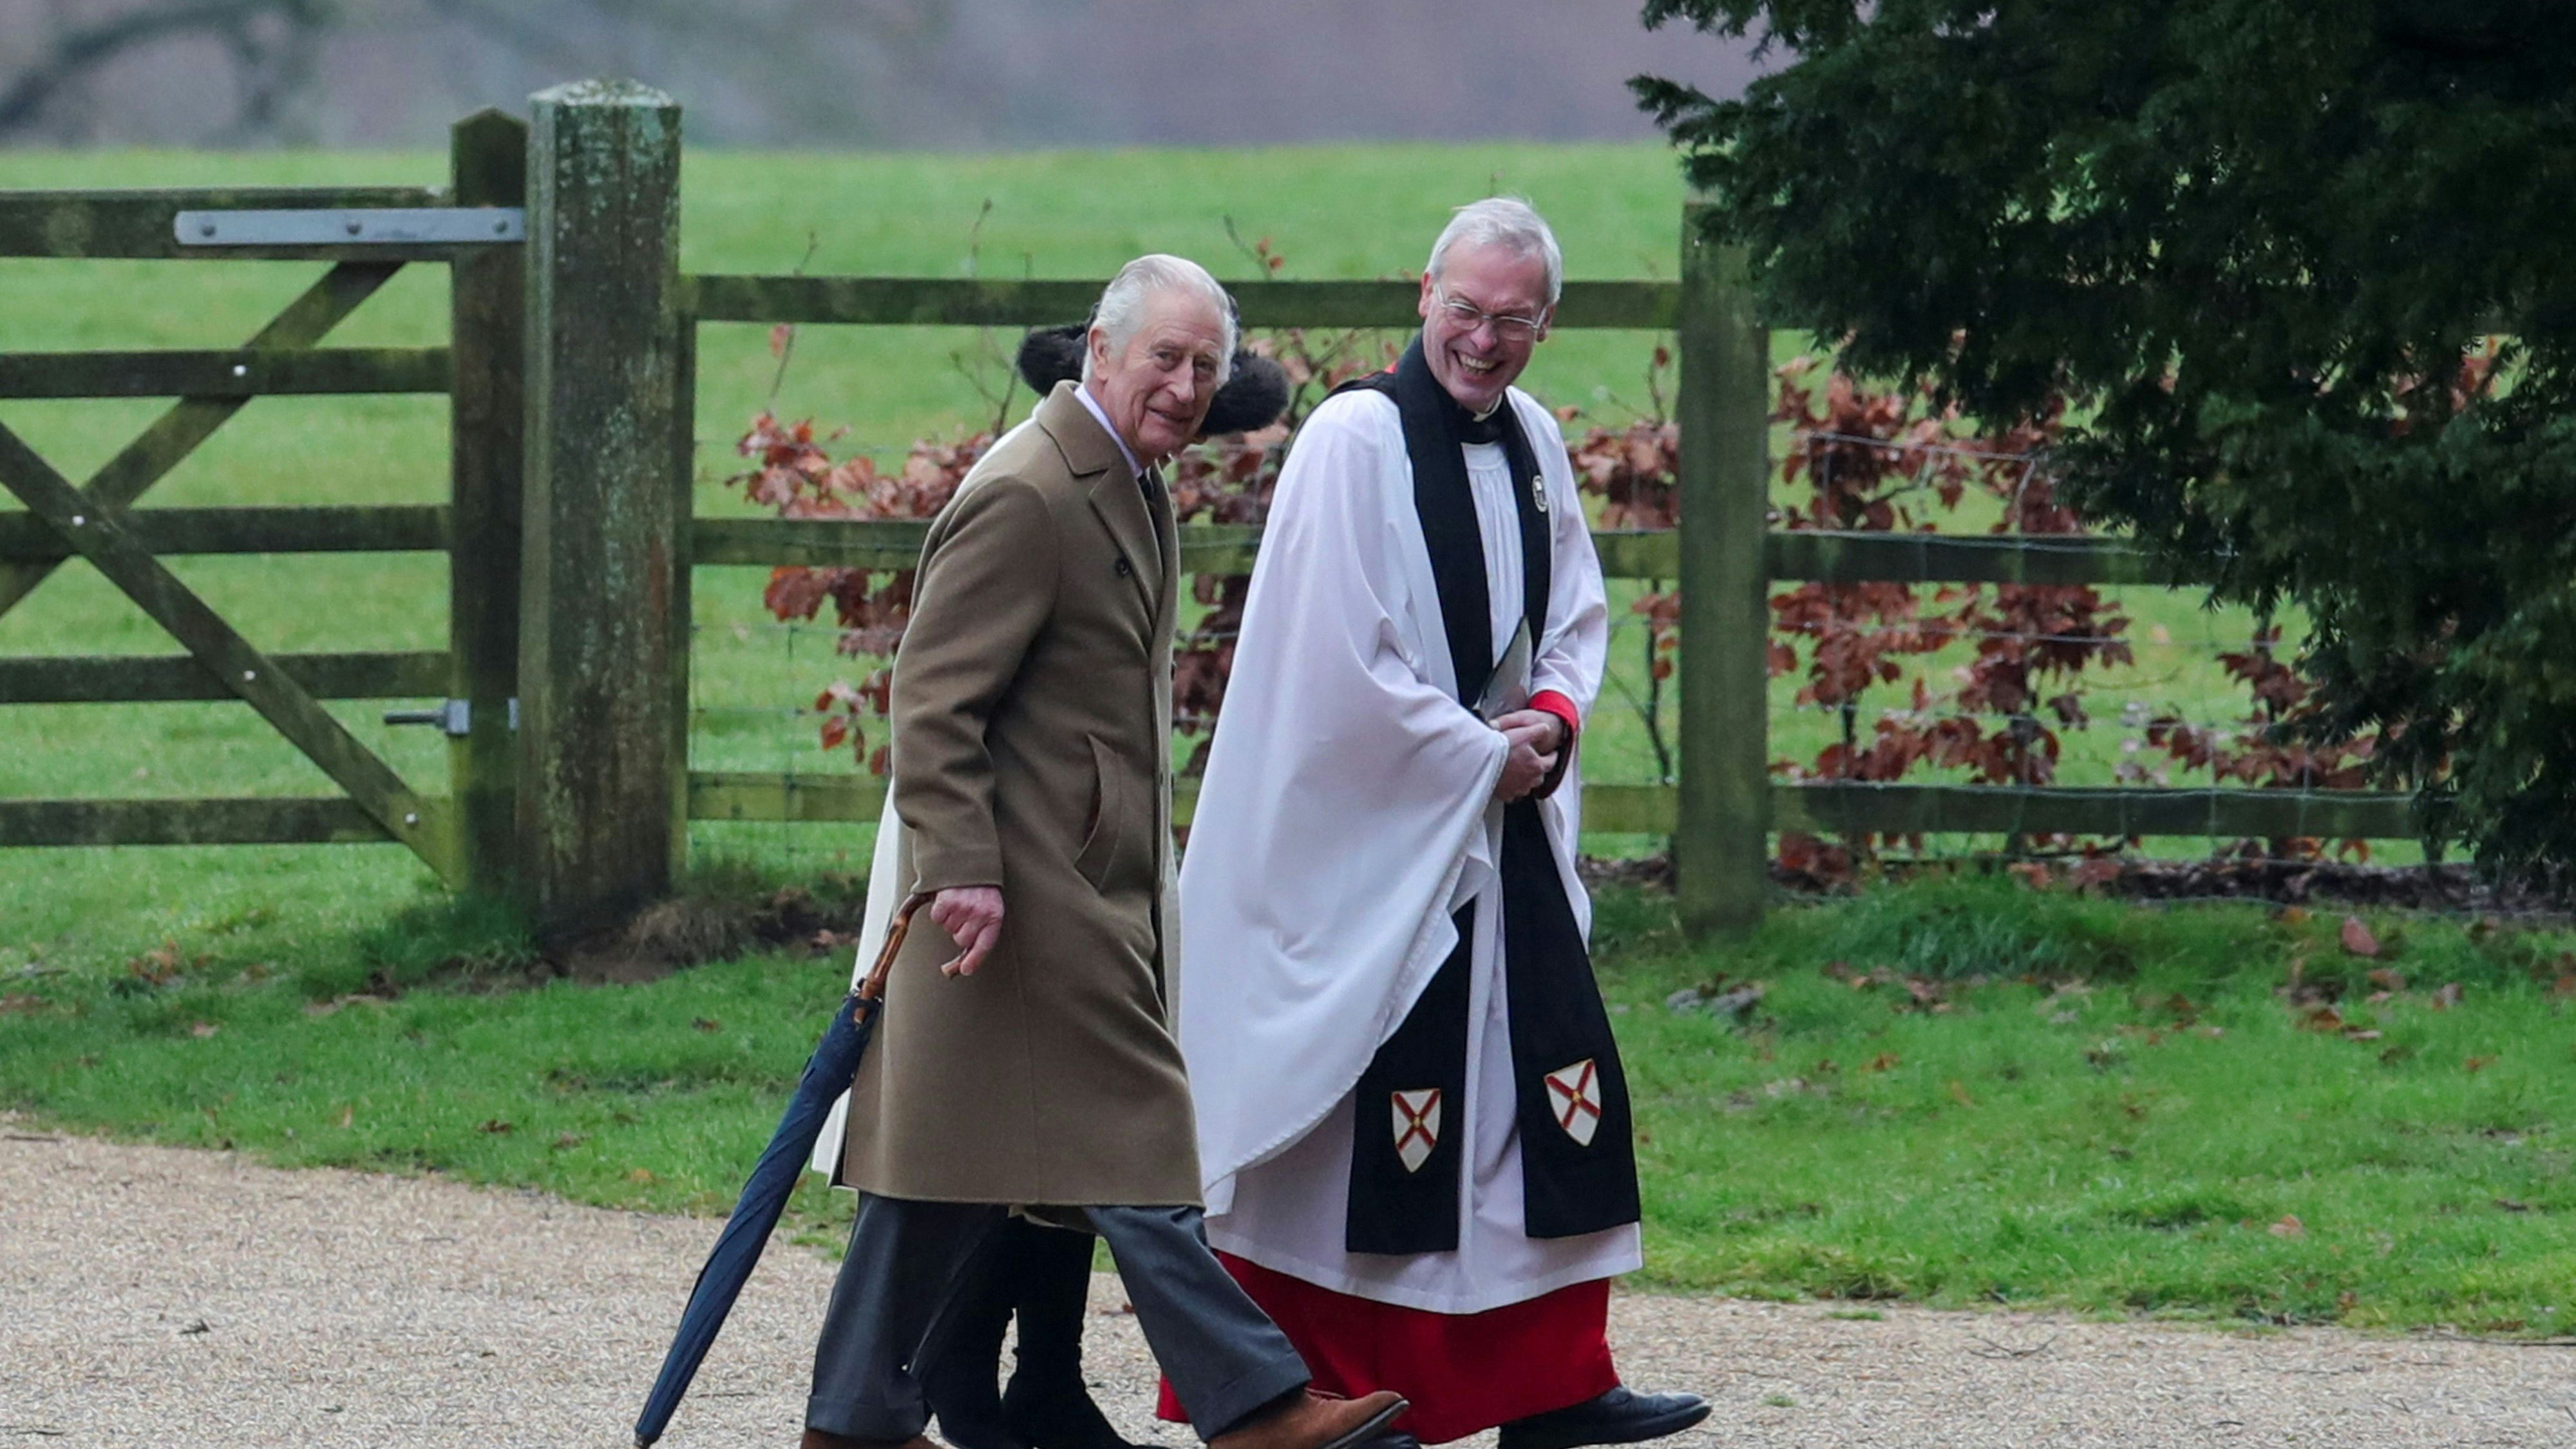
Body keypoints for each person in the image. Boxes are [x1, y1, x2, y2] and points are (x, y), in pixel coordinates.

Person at [799, 254, 1405, 1449]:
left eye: (1204, 367)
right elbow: (930, 699)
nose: (1182, 385)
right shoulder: (1032, 489)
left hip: (1082, 885)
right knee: (1140, 1139)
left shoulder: (1130, 480)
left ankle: (851, 1424)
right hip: (1022, 895)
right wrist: (962, 863)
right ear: (1101, 349)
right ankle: (1258, 1405)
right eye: (1163, 358)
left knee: (931, 1175)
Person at [1170, 201, 1711, 1449]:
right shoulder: (1351, 442)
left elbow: (1574, 611)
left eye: (1510, 321)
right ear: (1423, 295)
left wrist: (1553, 725)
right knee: (1363, 1116)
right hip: (1376, 839)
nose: (1481, 341)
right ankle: (1328, 1394)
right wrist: (1477, 755)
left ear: (1543, 326)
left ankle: (1552, 1386)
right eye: (1462, 311)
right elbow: (1332, 660)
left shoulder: (1531, 439)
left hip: (1496, 820)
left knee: (1530, 1106)